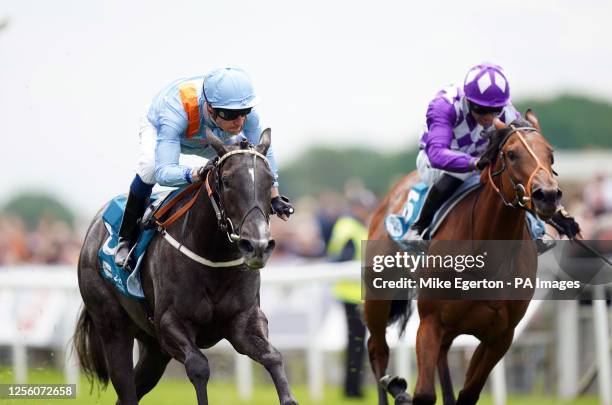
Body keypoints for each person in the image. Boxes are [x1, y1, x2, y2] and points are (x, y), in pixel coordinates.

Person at [115, 67, 294, 268]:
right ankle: (125, 239)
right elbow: (163, 172)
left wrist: (275, 196)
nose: (240, 121)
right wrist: (196, 173)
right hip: (169, 131)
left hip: (212, 135)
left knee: (244, 162)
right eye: (232, 114)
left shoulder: (244, 113)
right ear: (210, 108)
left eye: (244, 113)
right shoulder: (175, 111)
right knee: (149, 167)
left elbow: (263, 155)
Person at [405, 63, 579, 241]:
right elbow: (436, 154)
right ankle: (419, 228)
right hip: (438, 161)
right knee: (459, 175)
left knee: (510, 176)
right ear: (468, 100)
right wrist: (473, 163)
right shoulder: (444, 105)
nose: (488, 117)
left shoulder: (507, 112)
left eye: (494, 111)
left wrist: (555, 208)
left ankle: (536, 229)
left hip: (481, 158)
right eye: (481, 110)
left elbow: (528, 154)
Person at [326, 185, 376, 398]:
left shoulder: (350, 225)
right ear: (358, 208)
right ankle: (353, 390)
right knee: (356, 343)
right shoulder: (350, 227)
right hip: (352, 294)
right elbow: (343, 259)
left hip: (354, 293)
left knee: (356, 342)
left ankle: (353, 388)